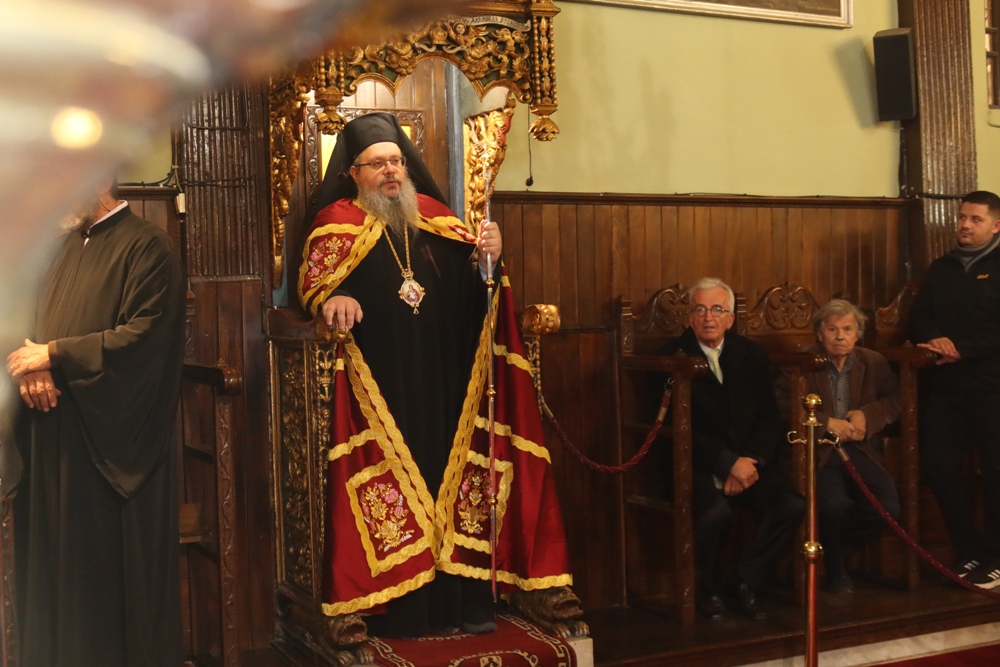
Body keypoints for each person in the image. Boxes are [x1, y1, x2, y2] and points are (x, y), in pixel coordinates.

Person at [298, 112, 574, 638]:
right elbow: (315, 283)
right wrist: (333, 296)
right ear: (353, 174)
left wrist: (489, 261)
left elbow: (478, 290)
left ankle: (468, 602)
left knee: (458, 484)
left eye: (396, 161)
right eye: (377, 164)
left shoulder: (435, 217)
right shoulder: (336, 222)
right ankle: (400, 611)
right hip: (380, 384)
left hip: (448, 381)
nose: (390, 171)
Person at [4, 181, 185, 667]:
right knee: (53, 572)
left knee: (104, 579)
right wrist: (35, 366)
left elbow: (145, 336)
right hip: (49, 435)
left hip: (109, 445)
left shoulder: (149, 247)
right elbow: (20, 315)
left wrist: (56, 353)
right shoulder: (58, 248)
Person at [660, 277, 804, 621]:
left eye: (717, 309)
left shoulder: (751, 354)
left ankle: (745, 582)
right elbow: (675, 428)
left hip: (748, 461)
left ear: (730, 318)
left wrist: (750, 461)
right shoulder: (671, 357)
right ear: (689, 317)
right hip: (694, 462)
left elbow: (769, 418)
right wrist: (727, 463)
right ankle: (708, 590)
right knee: (716, 515)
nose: (708, 317)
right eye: (700, 309)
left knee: (792, 506)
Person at [776, 299, 901, 593]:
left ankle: (836, 551)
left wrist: (867, 416)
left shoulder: (873, 362)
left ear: (858, 334)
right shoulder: (800, 361)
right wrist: (825, 422)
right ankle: (835, 570)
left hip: (858, 448)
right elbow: (782, 404)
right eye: (832, 330)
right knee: (835, 506)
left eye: (847, 329)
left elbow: (895, 400)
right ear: (820, 334)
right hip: (818, 449)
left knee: (888, 507)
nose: (840, 336)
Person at [911, 190, 1000, 589]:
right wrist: (935, 340)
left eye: (975, 219)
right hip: (946, 386)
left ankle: (996, 557)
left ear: (996, 225)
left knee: (995, 472)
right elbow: (921, 316)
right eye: (962, 217)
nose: (964, 225)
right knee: (940, 467)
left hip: (991, 386)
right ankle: (969, 550)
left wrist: (962, 348)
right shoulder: (942, 267)